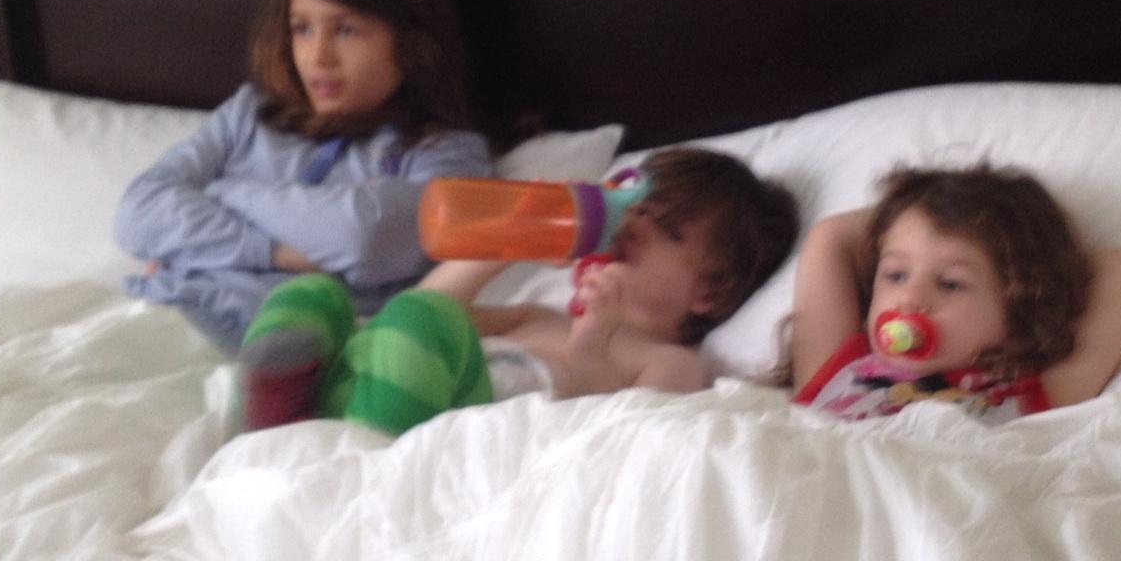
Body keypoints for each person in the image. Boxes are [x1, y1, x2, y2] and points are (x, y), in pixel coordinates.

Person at [113, 0, 492, 350]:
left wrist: (220, 194)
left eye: (345, 30)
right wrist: (277, 252)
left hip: (270, 347)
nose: (318, 56)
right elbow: (137, 214)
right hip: (155, 311)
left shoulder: (445, 154)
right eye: (303, 29)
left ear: (409, 40)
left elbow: (363, 236)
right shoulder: (251, 114)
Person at [236, 147, 799, 436]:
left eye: (667, 229)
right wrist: (514, 238)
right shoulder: (539, 315)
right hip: (376, 385)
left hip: (418, 430)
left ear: (708, 293)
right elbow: (415, 308)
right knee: (317, 294)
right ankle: (282, 404)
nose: (635, 226)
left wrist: (591, 345)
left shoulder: (672, 363)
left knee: (427, 323)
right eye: (635, 209)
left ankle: (333, 435)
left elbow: (612, 438)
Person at [789, 164, 1121, 422]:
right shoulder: (838, 371)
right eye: (896, 275)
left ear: (1019, 304)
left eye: (950, 283)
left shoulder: (1031, 398)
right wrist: (908, 209)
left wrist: (1031, 242)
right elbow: (831, 235)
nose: (910, 298)